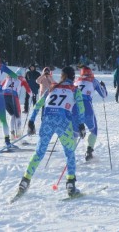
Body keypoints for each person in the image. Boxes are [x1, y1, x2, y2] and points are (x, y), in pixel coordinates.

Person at [16, 66, 86, 198]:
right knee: (70, 153)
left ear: (62, 77)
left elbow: (38, 104)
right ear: (73, 78)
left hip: (47, 121)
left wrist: (31, 120)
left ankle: (25, 181)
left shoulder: (52, 88)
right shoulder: (75, 89)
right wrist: (81, 125)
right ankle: (71, 184)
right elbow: (81, 108)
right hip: (63, 123)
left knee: (39, 153)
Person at [74, 65, 108, 160]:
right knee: (94, 130)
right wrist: (103, 86)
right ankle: (89, 150)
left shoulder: (76, 81)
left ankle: (70, 154)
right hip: (87, 107)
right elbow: (104, 95)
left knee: (75, 132)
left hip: (75, 107)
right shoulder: (93, 80)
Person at [2, 71, 31, 138]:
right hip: (13, 96)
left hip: (4, 96)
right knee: (18, 115)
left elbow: (1, 86)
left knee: (12, 115)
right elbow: (28, 88)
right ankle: (18, 133)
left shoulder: (8, 77)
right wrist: (32, 95)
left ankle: (12, 133)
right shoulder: (22, 79)